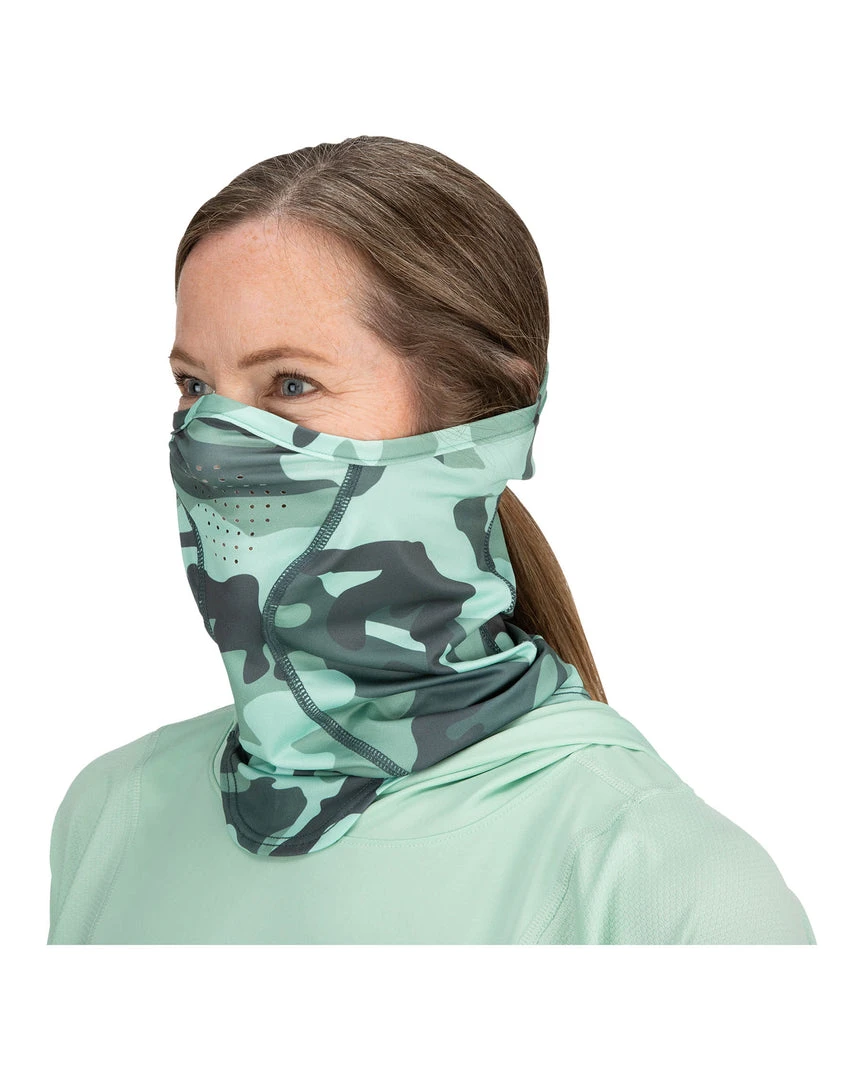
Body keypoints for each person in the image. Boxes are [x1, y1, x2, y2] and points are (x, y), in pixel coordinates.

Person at [47, 135, 816, 945]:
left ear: (481, 428)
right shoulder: (112, 815)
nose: (213, 444)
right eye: (195, 386)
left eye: (292, 384)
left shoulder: (664, 885)